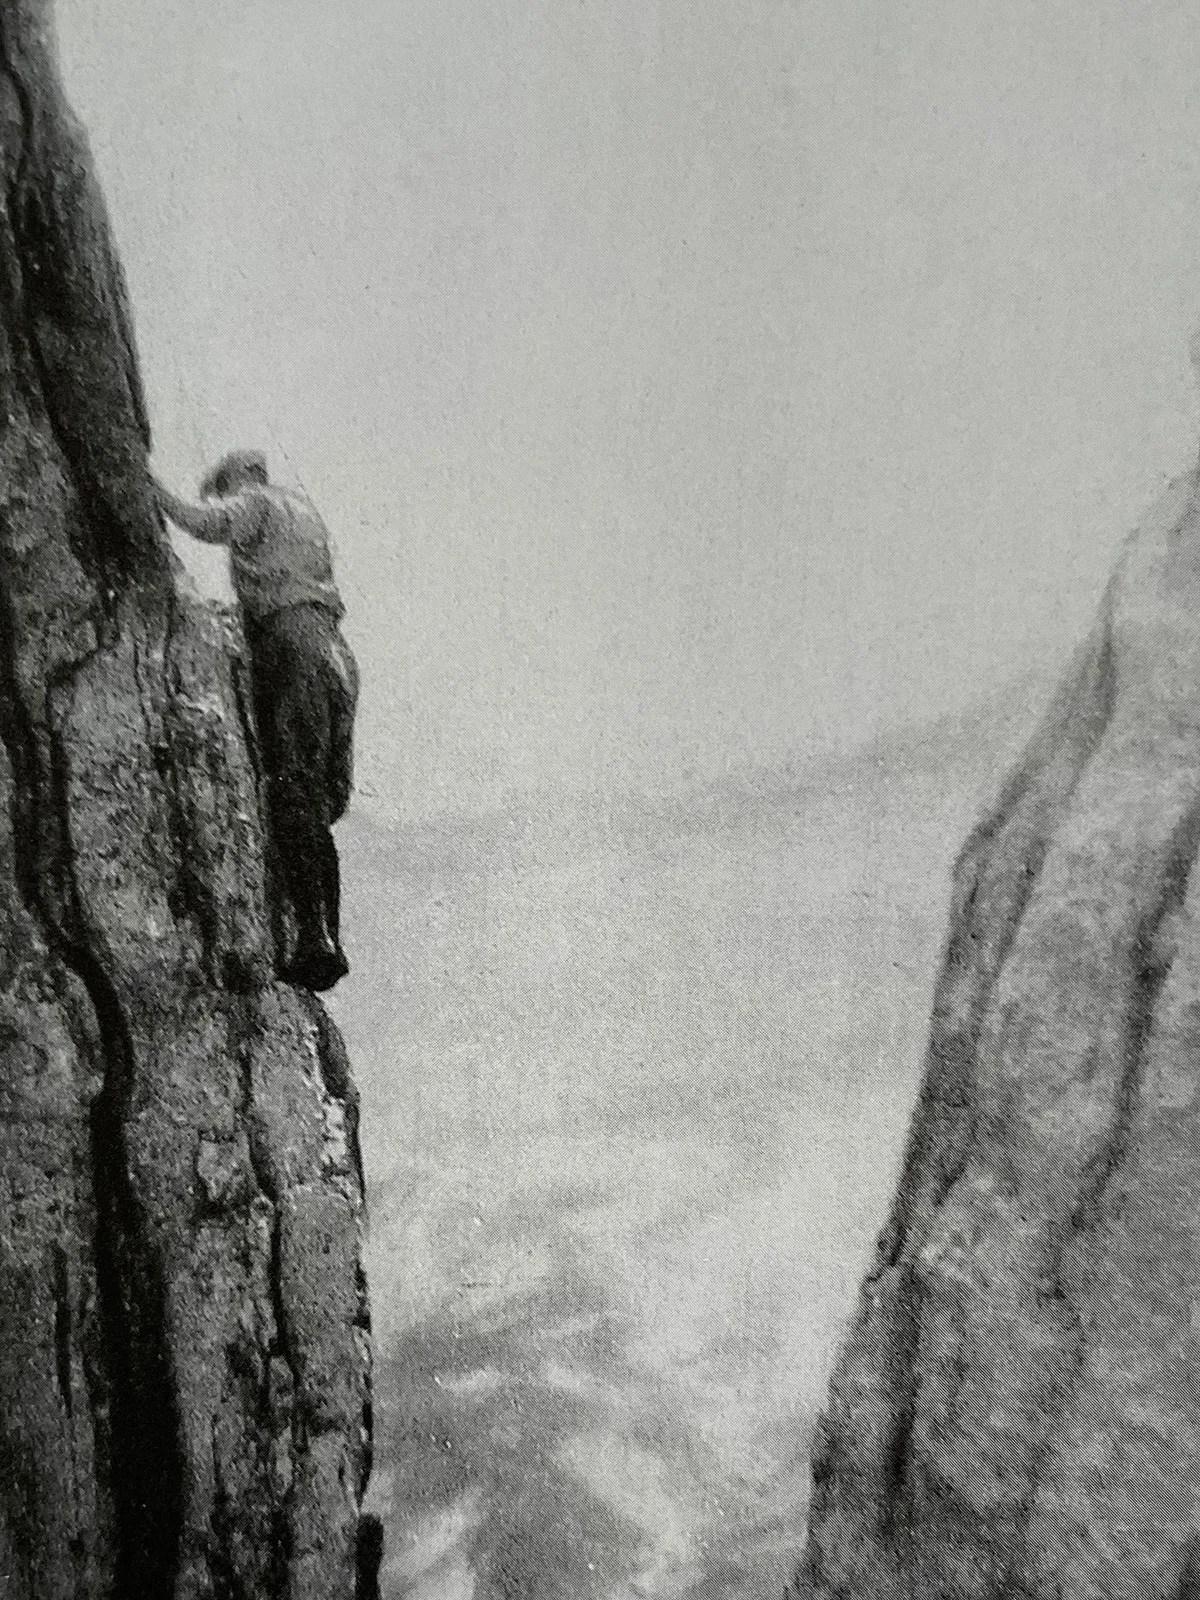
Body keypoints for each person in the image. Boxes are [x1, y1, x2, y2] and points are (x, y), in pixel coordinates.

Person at [155, 451, 358, 992]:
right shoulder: (303, 510)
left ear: (233, 482)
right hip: (334, 652)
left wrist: (152, 491)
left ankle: (314, 937)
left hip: (292, 646)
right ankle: (326, 936)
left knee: (293, 788)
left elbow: (211, 523)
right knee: (321, 799)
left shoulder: (256, 502)